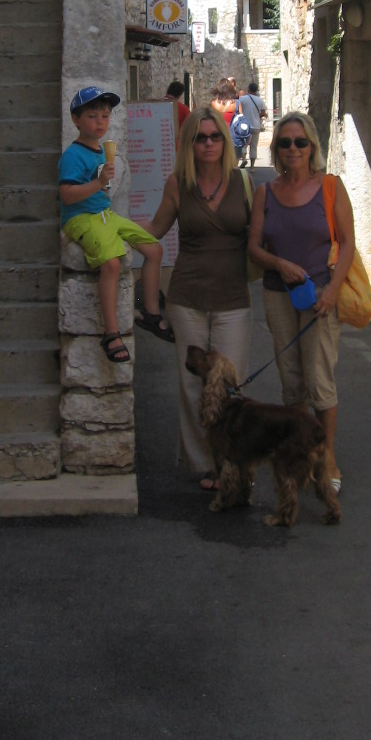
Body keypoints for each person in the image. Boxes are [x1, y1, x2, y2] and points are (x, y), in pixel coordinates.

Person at [247, 111, 354, 491]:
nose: (292, 149)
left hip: (320, 296)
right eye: (284, 143)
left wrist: (333, 290)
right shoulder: (266, 192)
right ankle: (301, 453)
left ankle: (328, 460)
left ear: (312, 147)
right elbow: (254, 248)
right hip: (278, 295)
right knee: (291, 382)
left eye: (300, 142)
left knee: (320, 381)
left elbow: (347, 244)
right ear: (276, 149)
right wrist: (279, 264)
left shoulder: (330, 187)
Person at [148, 106, 253, 490]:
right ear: (188, 144)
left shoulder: (244, 183)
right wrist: (108, 228)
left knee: (229, 386)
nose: (208, 143)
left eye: (214, 136)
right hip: (187, 297)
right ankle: (206, 464)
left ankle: (234, 464)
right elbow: (154, 230)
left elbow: (263, 235)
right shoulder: (178, 184)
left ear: (224, 141)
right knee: (192, 385)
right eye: (199, 137)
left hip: (233, 298)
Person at [59, 86, 174, 364]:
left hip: (104, 214)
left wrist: (102, 185)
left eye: (105, 116)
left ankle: (150, 312)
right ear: (76, 120)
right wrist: (99, 183)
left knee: (154, 250)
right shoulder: (73, 155)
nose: (100, 122)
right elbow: (67, 195)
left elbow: (102, 191)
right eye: (92, 116)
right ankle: (111, 332)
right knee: (110, 264)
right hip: (80, 218)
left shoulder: (100, 150)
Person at [237, 81, 267, 169]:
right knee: (254, 146)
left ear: (248, 89)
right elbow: (263, 113)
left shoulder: (242, 99)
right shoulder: (260, 100)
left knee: (243, 144)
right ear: (256, 90)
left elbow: (238, 110)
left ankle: (243, 159)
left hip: (245, 126)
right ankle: (252, 166)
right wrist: (257, 116)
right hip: (256, 126)